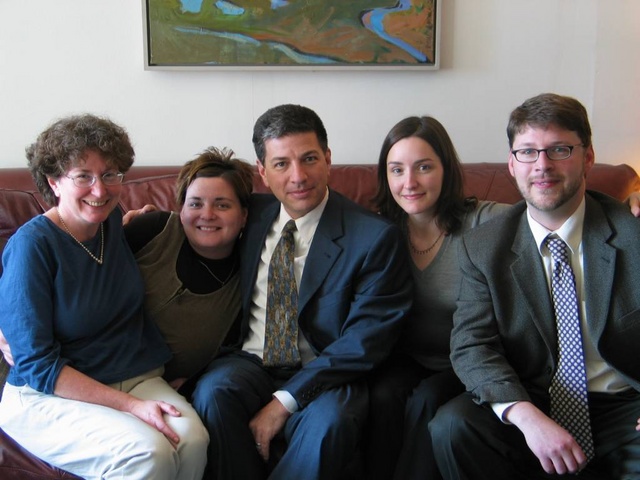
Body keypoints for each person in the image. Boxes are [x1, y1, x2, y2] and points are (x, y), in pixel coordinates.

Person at [190, 103, 413, 479]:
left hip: (326, 370)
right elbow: (195, 219)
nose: (298, 176)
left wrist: (283, 402)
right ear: (263, 172)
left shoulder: (374, 238)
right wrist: (142, 222)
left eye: (309, 158)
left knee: (330, 424)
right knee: (214, 392)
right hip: (250, 363)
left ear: (328, 159)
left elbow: (365, 340)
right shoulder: (249, 215)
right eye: (281, 164)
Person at [430, 93, 640, 479]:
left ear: (588, 157)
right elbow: (472, 345)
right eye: (527, 152)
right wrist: (525, 416)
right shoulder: (483, 247)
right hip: (533, 401)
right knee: (453, 426)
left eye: (559, 149)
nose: (542, 165)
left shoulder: (632, 232)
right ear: (512, 164)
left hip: (625, 407)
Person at [0, 114, 208, 480]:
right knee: (148, 454)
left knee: (192, 440)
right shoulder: (32, 246)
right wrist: (131, 406)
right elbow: (36, 365)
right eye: (83, 176)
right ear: (54, 181)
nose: (100, 190)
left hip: (130, 372)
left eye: (110, 174)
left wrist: (133, 221)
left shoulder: (110, 222)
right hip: (48, 394)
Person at [365, 116, 510, 480]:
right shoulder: (378, 232)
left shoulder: (482, 221)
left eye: (424, 167)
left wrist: (628, 200)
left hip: (470, 359)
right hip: (409, 358)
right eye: (397, 170)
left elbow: (548, 210)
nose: (409, 182)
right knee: (381, 395)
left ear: (446, 169)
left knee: (427, 399)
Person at [124, 147, 253, 391]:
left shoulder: (250, 278)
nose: (207, 215)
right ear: (181, 210)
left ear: (244, 215)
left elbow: (237, 355)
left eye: (222, 205)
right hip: (97, 367)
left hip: (159, 391)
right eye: (195, 204)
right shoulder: (151, 231)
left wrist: (192, 383)